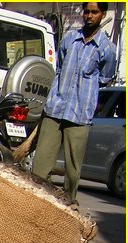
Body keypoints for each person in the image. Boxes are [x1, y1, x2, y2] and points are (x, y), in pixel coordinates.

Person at [32, 2, 117, 207]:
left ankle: (68, 209)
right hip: (56, 108)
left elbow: (105, 77)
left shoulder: (107, 49)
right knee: (40, 166)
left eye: (94, 12)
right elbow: (60, 67)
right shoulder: (70, 39)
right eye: (86, 12)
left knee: (72, 170)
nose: (89, 16)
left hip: (79, 115)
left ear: (102, 14)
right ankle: (35, 203)